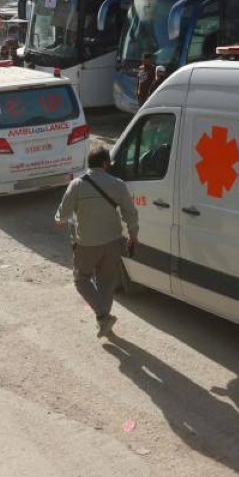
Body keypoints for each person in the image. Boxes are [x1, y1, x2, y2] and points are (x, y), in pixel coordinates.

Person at [54, 145, 140, 338]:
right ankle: (104, 320)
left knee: (81, 279)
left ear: (89, 164)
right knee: (106, 283)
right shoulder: (118, 184)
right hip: (113, 242)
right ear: (105, 163)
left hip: (87, 244)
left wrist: (59, 220)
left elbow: (62, 215)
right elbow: (130, 214)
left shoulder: (77, 185)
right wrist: (133, 235)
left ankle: (103, 316)